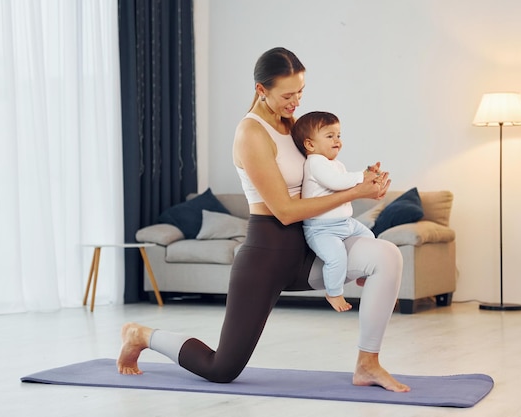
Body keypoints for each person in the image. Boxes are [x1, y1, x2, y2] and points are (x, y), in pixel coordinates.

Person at [117, 47, 410, 393]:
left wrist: (364, 179)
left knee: (387, 255)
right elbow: (284, 210)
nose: (296, 102)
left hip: (311, 244)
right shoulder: (251, 134)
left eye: (301, 92)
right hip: (267, 252)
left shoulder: (293, 124)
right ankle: (142, 335)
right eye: (288, 95)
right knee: (222, 368)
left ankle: (367, 364)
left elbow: (320, 174)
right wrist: (355, 193)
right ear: (261, 89)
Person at [291, 111, 377, 313]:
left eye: (338, 135)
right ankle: (333, 292)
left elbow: (347, 185)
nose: (337, 141)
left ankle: (363, 274)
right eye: (330, 136)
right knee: (336, 257)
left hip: (345, 223)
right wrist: (362, 177)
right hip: (321, 229)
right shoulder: (315, 162)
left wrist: (370, 177)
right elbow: (336, 183)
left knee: (370, 238)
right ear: (310, 145)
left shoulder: (336, 164)